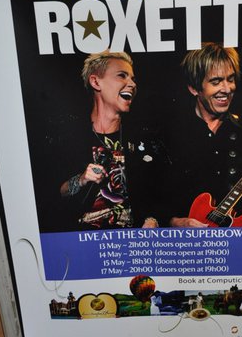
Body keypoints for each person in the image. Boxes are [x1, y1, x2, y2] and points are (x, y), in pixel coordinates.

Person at [166, 43, 242, 228]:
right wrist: (175, 222)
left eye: (230, 79)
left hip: (241, 238)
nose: (226, 89)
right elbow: (155, 196)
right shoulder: (172, 134)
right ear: (194, 88)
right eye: (216, 82)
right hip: (187, 242)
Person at [59, 50, 164, 230]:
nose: (132, 84)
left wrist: (152, 219)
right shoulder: (71, 135)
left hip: (132, 238)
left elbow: (160, 192)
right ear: (95, 82)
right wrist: (82, 179)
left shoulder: (142, 140)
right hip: (84, 239)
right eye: (122, 75)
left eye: (132, 78)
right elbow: (58, 193)